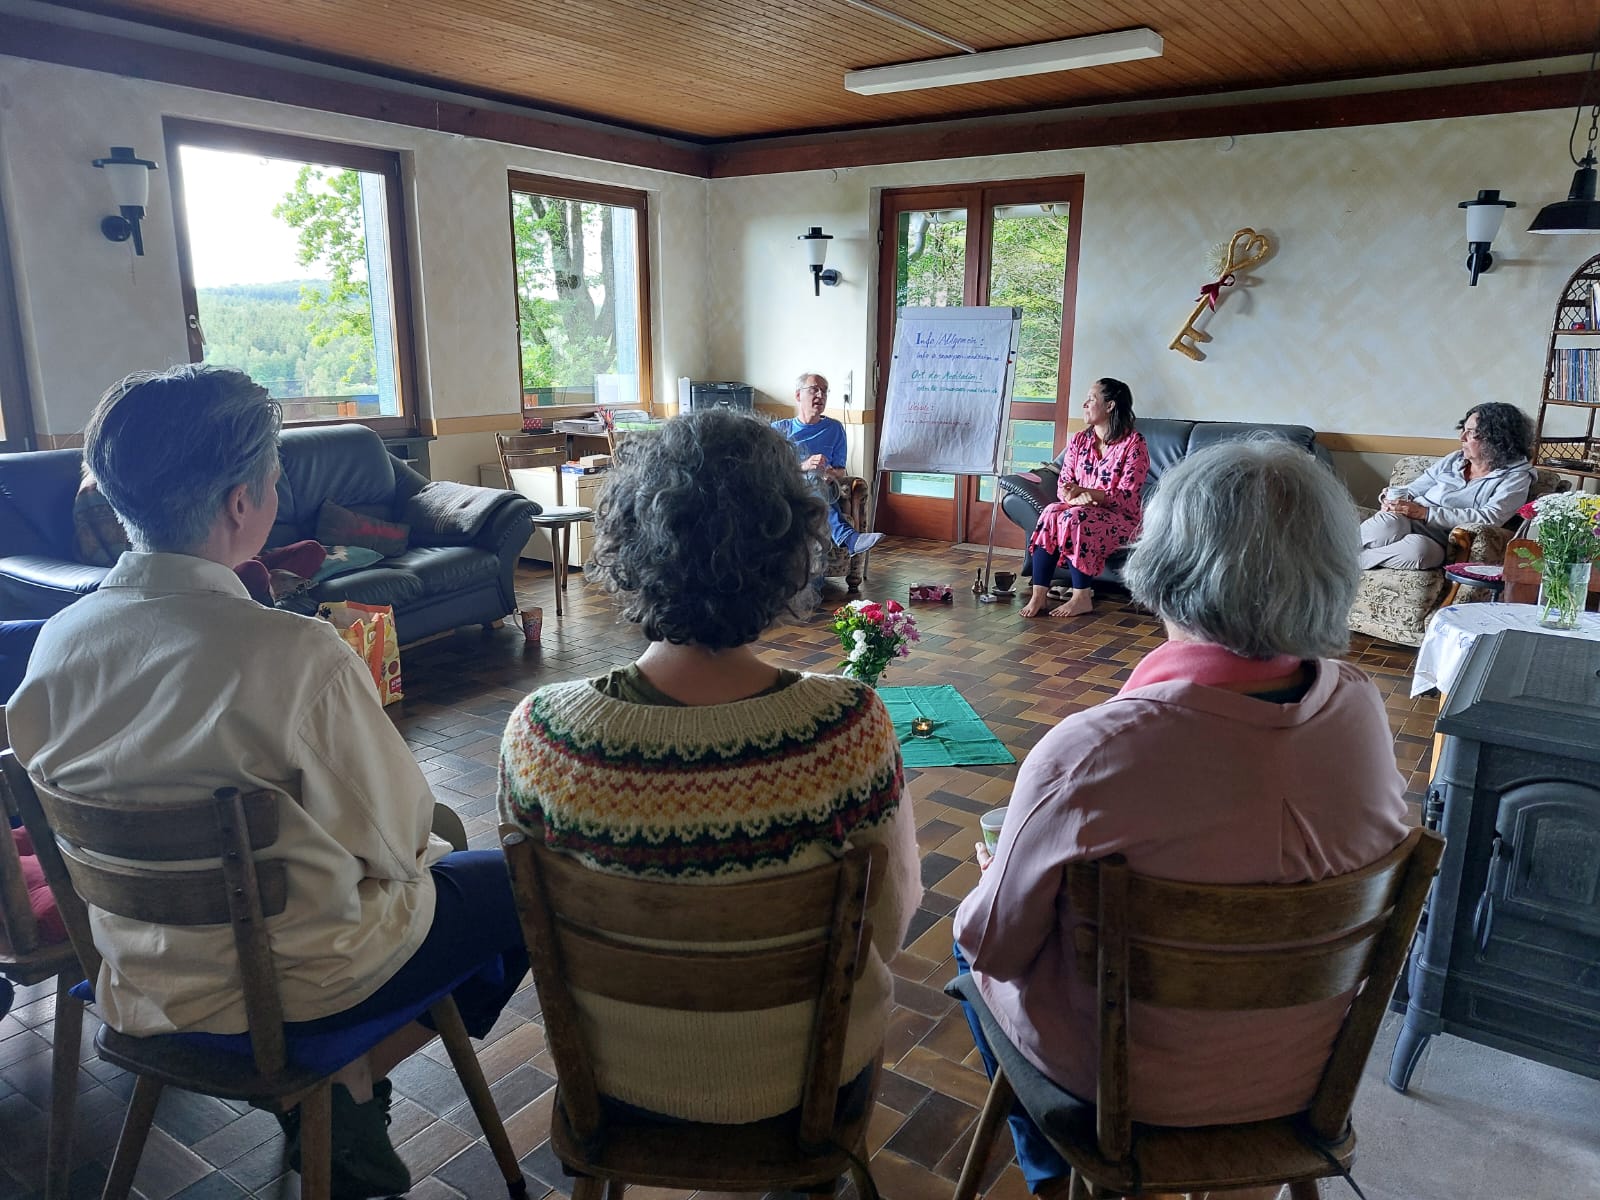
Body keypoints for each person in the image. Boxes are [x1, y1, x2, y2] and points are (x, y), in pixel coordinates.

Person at [7, 365, 529, 1200]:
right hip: (303, 986)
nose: (280, 492)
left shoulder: (57, 643)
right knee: (516, 882)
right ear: (239, 505)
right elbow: (398, 844)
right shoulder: (294, 655)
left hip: (142, 980)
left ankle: (348, 1094)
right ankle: (344, 1086)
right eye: (276, 477)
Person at [955, 439, 1409, 1197]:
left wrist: (996, 879)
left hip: (1131, 1093)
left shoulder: (1092, 751)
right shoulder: (1362, 706)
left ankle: (1048, 1177)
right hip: (1306, 1076)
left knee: (969, 952)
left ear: (1162, 562)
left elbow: (994, 945)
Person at [498, 407, 919, 1124]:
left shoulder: (542, 735)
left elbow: (533, 927)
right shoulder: (848, 729)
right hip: (809, 1083)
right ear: (789, 548)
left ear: (628, 538)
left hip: (612, 1081)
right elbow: (891, 918)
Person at [1019, 378, 1149, 619]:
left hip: (1122, 520)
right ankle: (1039, 595)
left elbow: (1128, 496)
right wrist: (1072, 494)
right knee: (1051, 512)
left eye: (1091, 399)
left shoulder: (1134, 443)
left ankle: (1081, 597)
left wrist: (1091, 496)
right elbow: (1064, 483)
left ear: (1109, 406)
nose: (1085, 404)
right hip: (1079, 510)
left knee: (1075, 517)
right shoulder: (1079, 440)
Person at [1360, 402, 1535, 570]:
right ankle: (1340, 557)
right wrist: (1390, 498)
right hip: (1406, 521)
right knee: (1389, 524)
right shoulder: (1455, 459)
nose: (1462, 438)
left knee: (1419, 551)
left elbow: (1491, 517)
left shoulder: (1516, 476)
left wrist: (1426, 513)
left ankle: (1353, 562)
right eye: (1463, 430)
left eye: (1471, 433)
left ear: (1497, 439)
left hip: (1445, 539)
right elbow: (1413, 490)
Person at [772, 372, 884, 555]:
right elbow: (771, 471)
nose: (820, 396)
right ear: (798, 395)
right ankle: (847, 539)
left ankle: (826, 560)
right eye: (814, 390)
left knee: (817, 479)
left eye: (824, 391)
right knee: (812, 478)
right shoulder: (779, 429)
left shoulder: (835, 429)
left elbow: (840, 470)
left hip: (825, 488)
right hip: (789, 491)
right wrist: (804, 467)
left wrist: (830, 474)